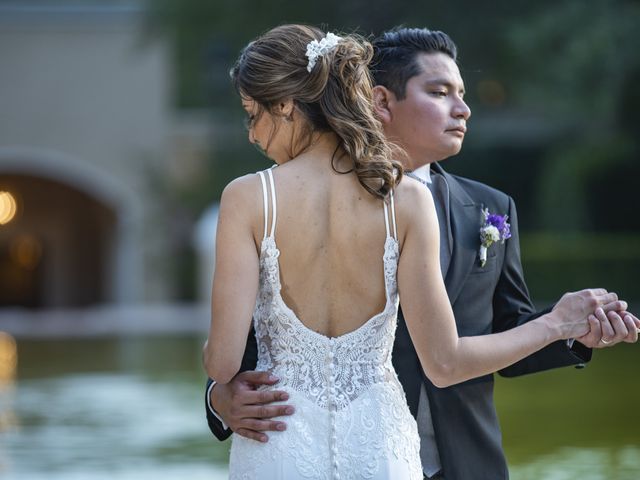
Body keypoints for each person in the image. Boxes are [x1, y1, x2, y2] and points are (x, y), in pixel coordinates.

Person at [203, 25, 638, 480]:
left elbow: (507, 327)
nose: (463, 109)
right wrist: (220, 396)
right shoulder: (402, 202)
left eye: (252, 115)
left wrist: (566, 329)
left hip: (448, 460)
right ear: (380, 101)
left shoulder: (488, 207)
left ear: (287, 104)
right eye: (439, 91)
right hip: (377, 451)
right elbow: (250, 348)